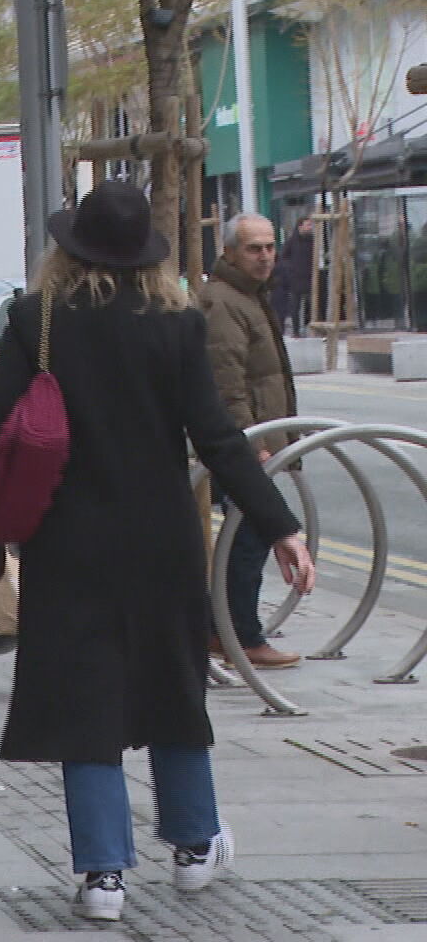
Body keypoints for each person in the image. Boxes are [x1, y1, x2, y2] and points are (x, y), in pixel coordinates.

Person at [0, 182, 315, 923]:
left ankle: (102, 878)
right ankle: (193, 848)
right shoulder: (177, 324)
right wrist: (280, 524)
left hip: (66, 541)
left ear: (67, 249)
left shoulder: (39, 319)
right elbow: (220, 438)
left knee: (86, 701)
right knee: (172, 686)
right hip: (161, 538)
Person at [200, 212, 303, 670]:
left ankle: (225, 630)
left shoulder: (247, 297)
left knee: (250, 533)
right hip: (241, 444)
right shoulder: (224, 302)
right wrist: (252, 444)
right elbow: (227, 383)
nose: (264, 257)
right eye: (253, 248)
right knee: (254, 531)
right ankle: (237, 634)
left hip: (254, 439)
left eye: (269, 247)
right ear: (228, 253)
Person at [272, 215, 315, 337]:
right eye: (308, 225)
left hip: (309, 277)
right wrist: (290, 269)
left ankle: (311, 328)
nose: (310, 228)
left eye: (310, 225)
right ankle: (296, 331)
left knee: (312, 304)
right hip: (295, 278)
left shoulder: (312, 240)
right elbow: (283, 257)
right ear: (300, 226)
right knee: (295, 306)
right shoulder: (292, 241)